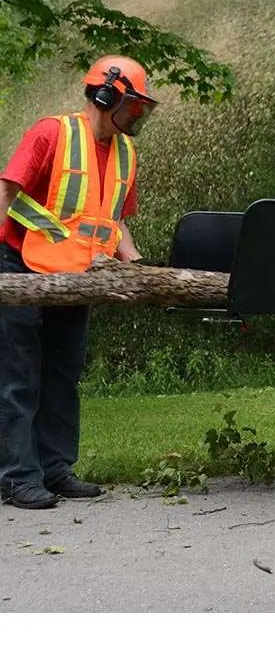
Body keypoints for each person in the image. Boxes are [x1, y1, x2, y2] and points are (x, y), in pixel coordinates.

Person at [0, 56, 157, 510]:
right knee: (18, 377)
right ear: (107, 96)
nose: (138, 115)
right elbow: (7, 190)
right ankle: (17, 477)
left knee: (63, 374)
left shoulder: (125, 153)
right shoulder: (53, 132)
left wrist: (139, 268)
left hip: (76, 275)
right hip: (19, 265)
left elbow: (115, 224)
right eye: (134, 106)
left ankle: (54, 469)